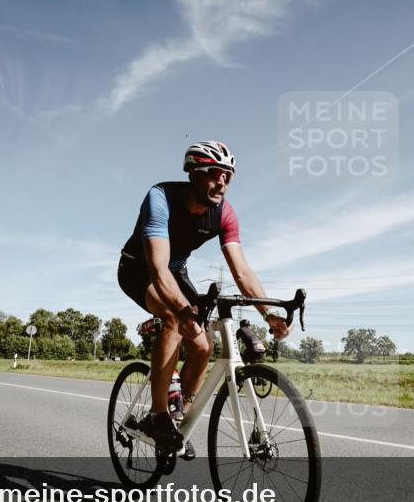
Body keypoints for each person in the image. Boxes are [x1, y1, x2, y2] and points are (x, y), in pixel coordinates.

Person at [118, 141, 291, 448]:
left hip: (177, 271)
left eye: (228, 175)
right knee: (174, 316)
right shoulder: (160, 198)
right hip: (139, 268)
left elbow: (242, 272)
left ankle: (176, 417)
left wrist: (268, 313)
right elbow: (158, 268)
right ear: (193, 173)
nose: (221, 181)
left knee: (202, 345)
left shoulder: (225, 214)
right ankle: (158, 416)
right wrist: (183, 308)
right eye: (214, 173)